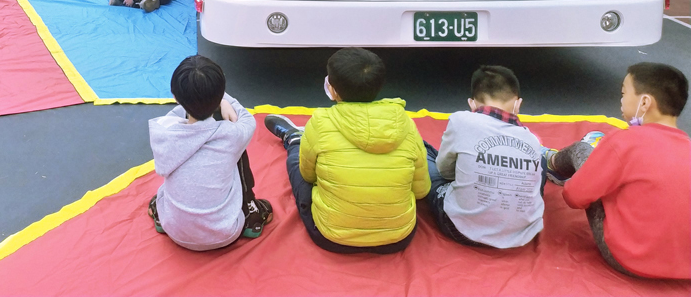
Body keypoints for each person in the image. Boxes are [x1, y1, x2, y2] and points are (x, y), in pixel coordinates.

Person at [265, 48, 429, 253]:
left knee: (296, 163)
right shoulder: (405, 122)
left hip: (331, 237)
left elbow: (308, 175)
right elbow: (421, 190)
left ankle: (294, 138)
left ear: (332, 89)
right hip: (398, 238)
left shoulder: (321, 122)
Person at [548, 63, 690, 280]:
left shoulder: (624, 141)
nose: (621, 100)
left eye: (624, 93)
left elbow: (574, 196)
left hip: (629, 258)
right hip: (685, 267)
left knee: (582, 150)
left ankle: (551, 161)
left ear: (644, 102)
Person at [148, 55, 273, 250]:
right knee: (237, 152)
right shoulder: (231, 135)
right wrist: (223, 99)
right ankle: (250, 211)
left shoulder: (163, 131)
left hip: (173, 229)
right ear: (221, 93)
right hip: (225, 233)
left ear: (174, 96)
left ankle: (161, 212)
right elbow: (246, 119)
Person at [425, 66, 547, 248]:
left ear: (472, 104)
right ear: (518, 104)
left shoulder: (461, 121)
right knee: (541, 160)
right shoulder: (531, 140)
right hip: (522, 233)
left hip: (460, 230)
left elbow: (444, 171)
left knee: (424, 150)